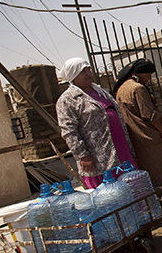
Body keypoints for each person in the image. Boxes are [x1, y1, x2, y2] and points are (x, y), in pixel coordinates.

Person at [56, 58, 135, 189]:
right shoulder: (67, 100)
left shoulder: (100, 91)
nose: (88, 74)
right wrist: (83, 155)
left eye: (88, 70)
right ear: (73, 75)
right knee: (110, 192)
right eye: (82, 72)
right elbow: (69, 131)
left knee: (131, 185)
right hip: (99, 157)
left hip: (120, 148)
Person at [113, 58, 162, 191]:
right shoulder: (138, 88)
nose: (149, 78)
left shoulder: (121, 89)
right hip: (148, 138)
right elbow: (150, 115)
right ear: (140, 73)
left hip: (135, 140)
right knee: (157, 173)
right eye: (148, 75)